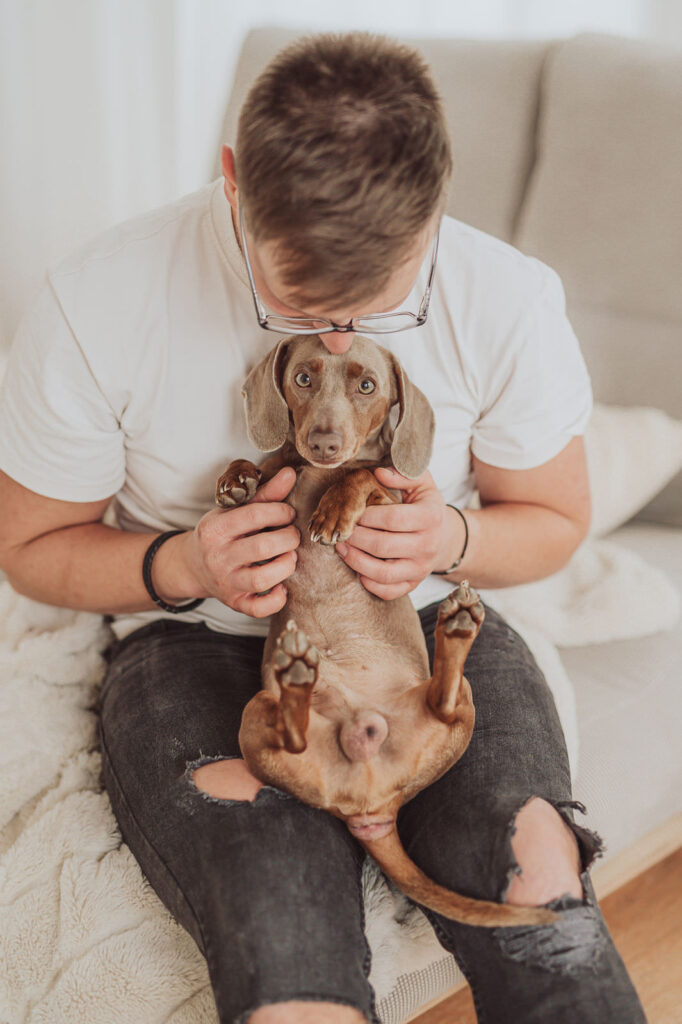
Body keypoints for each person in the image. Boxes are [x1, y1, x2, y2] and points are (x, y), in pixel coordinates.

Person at [0, 31, 645, 1024]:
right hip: (189, 646)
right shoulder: (97, 301)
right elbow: (29, 546)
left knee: (540, 889)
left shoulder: (506, 296)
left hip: (418, 628)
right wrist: (180, 562)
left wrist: (451, 542)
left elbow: (555, 518)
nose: (340, 336)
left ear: (431, 214)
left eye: (382, 301)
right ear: (230, 183)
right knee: (284, 948)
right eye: (297, 300)